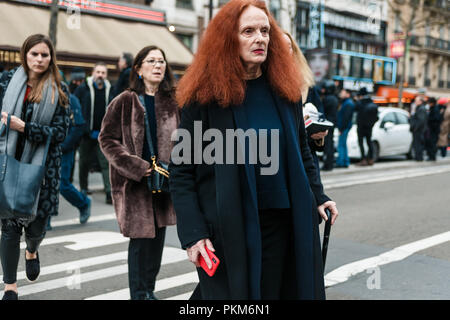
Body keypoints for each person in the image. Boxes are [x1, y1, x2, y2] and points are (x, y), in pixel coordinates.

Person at [169, 0, 338, 300]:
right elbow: (182, 172)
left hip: (283, 221)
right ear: (227, 39)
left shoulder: (285, 91)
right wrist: (194, 233)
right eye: (248, 31)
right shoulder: (203, 97)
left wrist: (319, 196)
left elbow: (301, 150)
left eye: (264, 31)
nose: (259, 38)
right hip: (228, 225)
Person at [99, 46, 178, 300]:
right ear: (139, 69)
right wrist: (136, 166)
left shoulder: (174, 101)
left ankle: (149, 291)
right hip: (135, 185)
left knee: (157, 242)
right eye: (151, 61)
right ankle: (139, 294)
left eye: (162, 61)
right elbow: (107, 139)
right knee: (140, 243)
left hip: (164, 182)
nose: (158, 65)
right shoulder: (125, 100)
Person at [0, 34, 70, 300]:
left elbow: (60, 133)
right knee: (9, 227)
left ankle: (32, 249)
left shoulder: (59, 90)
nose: (40, 59)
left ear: (51, 57)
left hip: (42, 172)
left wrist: (26, 128)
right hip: (7, 163)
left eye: (45, 54)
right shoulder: (6, 82)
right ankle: (10, 287)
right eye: (34, 54)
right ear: (25, 55)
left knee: (36, 228)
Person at [282, 32, 328, 179]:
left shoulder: (307, 85)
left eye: (290, 47)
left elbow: (320, 117)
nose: (286, 51)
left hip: (306, 161)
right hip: (280, 162)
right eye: (281, 47)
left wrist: (318, 135)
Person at [47, 83, 91, 230]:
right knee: (43, 183)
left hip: (64, 149)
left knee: (62, 184)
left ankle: (83, 203)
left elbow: (79, 126)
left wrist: (64, 146)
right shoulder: (43, 97)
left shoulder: (71, 99)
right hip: (45, 148)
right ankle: (44, 219)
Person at [74, 62, 113, 203]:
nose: (100, 75)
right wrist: (82, 128)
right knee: (84, 162)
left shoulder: (110, 90)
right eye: (98, 72)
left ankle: (109, 193)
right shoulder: (83, 88)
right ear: (93, 73)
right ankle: (83, 188)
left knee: (105, 163)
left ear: (106, 75)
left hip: (103, 135)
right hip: (86, 134)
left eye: (103, 73)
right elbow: (74, 106)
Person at [355, 87, 378, 166]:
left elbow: (356, 110)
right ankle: (371, 159)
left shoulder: (360, 103)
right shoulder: (372, 103)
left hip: (361, 127)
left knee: (361, 143)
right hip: (369, 127)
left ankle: (363, 159)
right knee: (369, 143)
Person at [320, 79, 338, 171]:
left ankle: (327, 164)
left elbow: (322, 110)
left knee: (327, 144)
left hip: (327, 123)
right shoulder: (334, 98)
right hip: (332, 123)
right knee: (330, 143)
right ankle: (329, 163)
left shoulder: (328, 99)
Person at [336, 88, 355, 168]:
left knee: (341, 145)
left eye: (343, 92)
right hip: (345, 127)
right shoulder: (346, 103)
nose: (341, 94)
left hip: (344, 128)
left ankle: (341, 162)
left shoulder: (348, 104)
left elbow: (345, 118)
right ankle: (345, 161)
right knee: (343, 144)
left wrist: (341, 129)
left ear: (348, 94)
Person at [410, 96, 428, 162]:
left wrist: (415, 128)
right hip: (418, 130)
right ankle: (418, 156)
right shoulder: (419, 108)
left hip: (419, 130)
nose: (415, 102)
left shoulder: (421, 109)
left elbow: (421, 120)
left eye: (416, 101)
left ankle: (419, 157)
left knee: (418, 144)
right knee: (417, 144)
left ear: (420, 101)